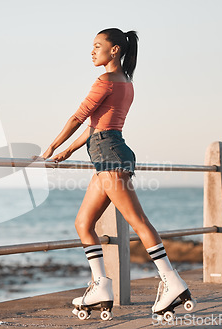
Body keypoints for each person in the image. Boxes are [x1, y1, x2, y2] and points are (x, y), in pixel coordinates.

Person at [36, 28, 193, 319]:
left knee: (138, 221)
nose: (92, 51)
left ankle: (172, 282)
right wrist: (69, 151)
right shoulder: (125, 82)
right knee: (83, 223)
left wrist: (49, 148)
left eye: (98, 46)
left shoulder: (105, 81)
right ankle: (101, 287)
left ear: (115, 50)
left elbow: (78, 118)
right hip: (108, 154)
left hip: (109, 157)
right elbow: (99, 125)